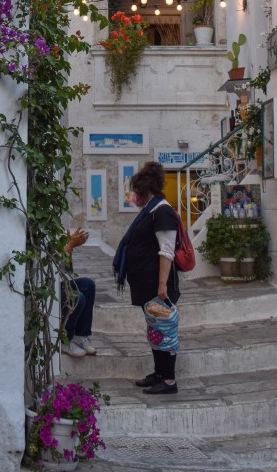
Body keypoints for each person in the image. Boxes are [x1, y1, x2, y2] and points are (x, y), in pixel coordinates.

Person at [112, 160, 180, 394]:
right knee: (155, 329)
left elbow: (167, 251)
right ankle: (159, 373)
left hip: (158, 286)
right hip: (147, 285)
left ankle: (169, 381)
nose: (134, 197)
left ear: (145, 190)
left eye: (136, 191)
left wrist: (162, 286)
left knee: (164, 331)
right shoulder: (150, 210)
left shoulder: (162, 212)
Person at [60, 226, 97, 358]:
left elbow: (66, 270)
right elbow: (51, 265)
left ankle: (80, 336)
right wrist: (70, 244)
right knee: (77, 297)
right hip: (48, 286)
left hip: (59, 281)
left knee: (88, 285)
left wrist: (69, 245)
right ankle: (65, 340)